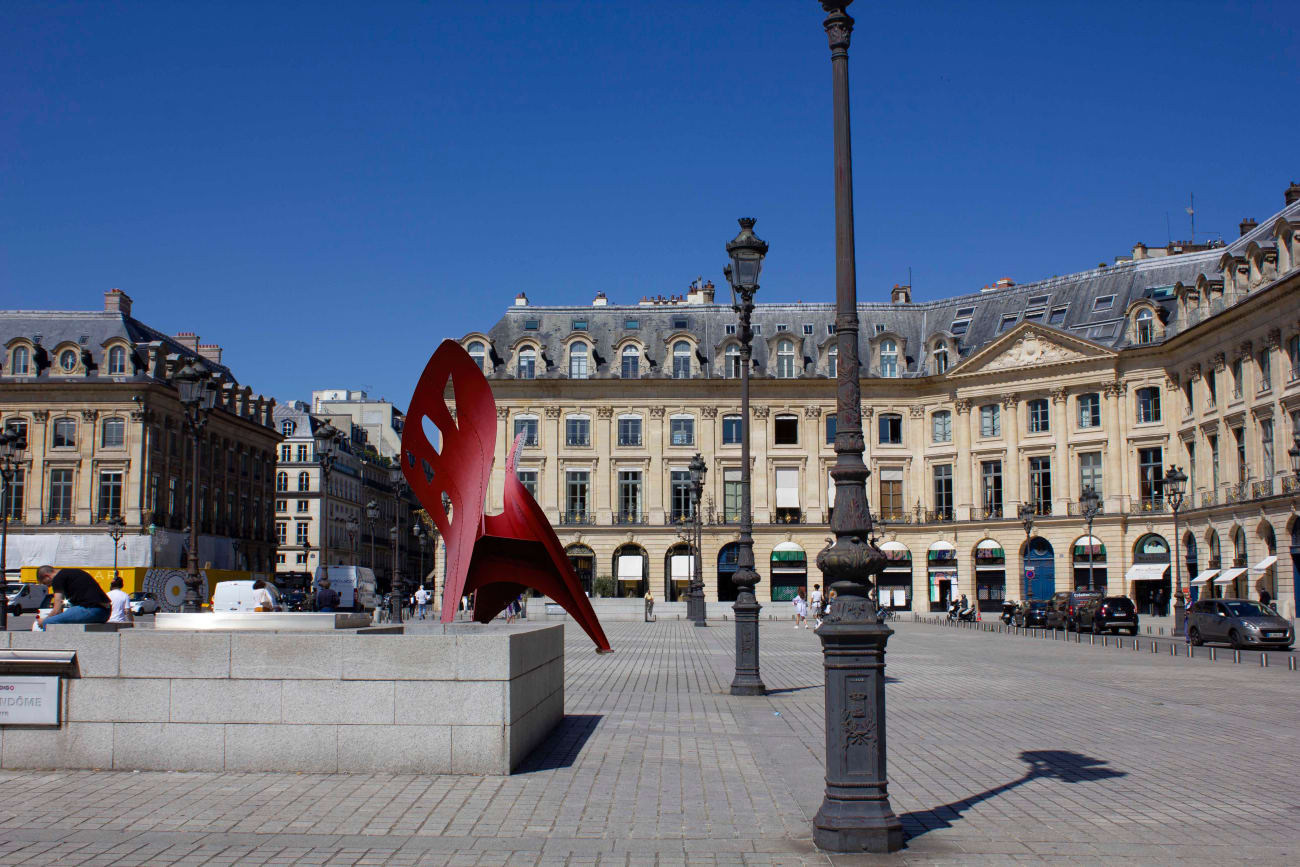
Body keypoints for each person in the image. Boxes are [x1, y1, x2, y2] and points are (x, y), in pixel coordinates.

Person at [34, 565, 111, 627]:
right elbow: (60, 611)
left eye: (45, 583)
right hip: (105, 613)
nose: (48, 586)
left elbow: (57, 609)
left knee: (48, 623)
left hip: (92, 610)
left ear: (47, 576)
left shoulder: (57, 578)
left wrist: (44, 621)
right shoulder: (72, 572)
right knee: (68, 613)